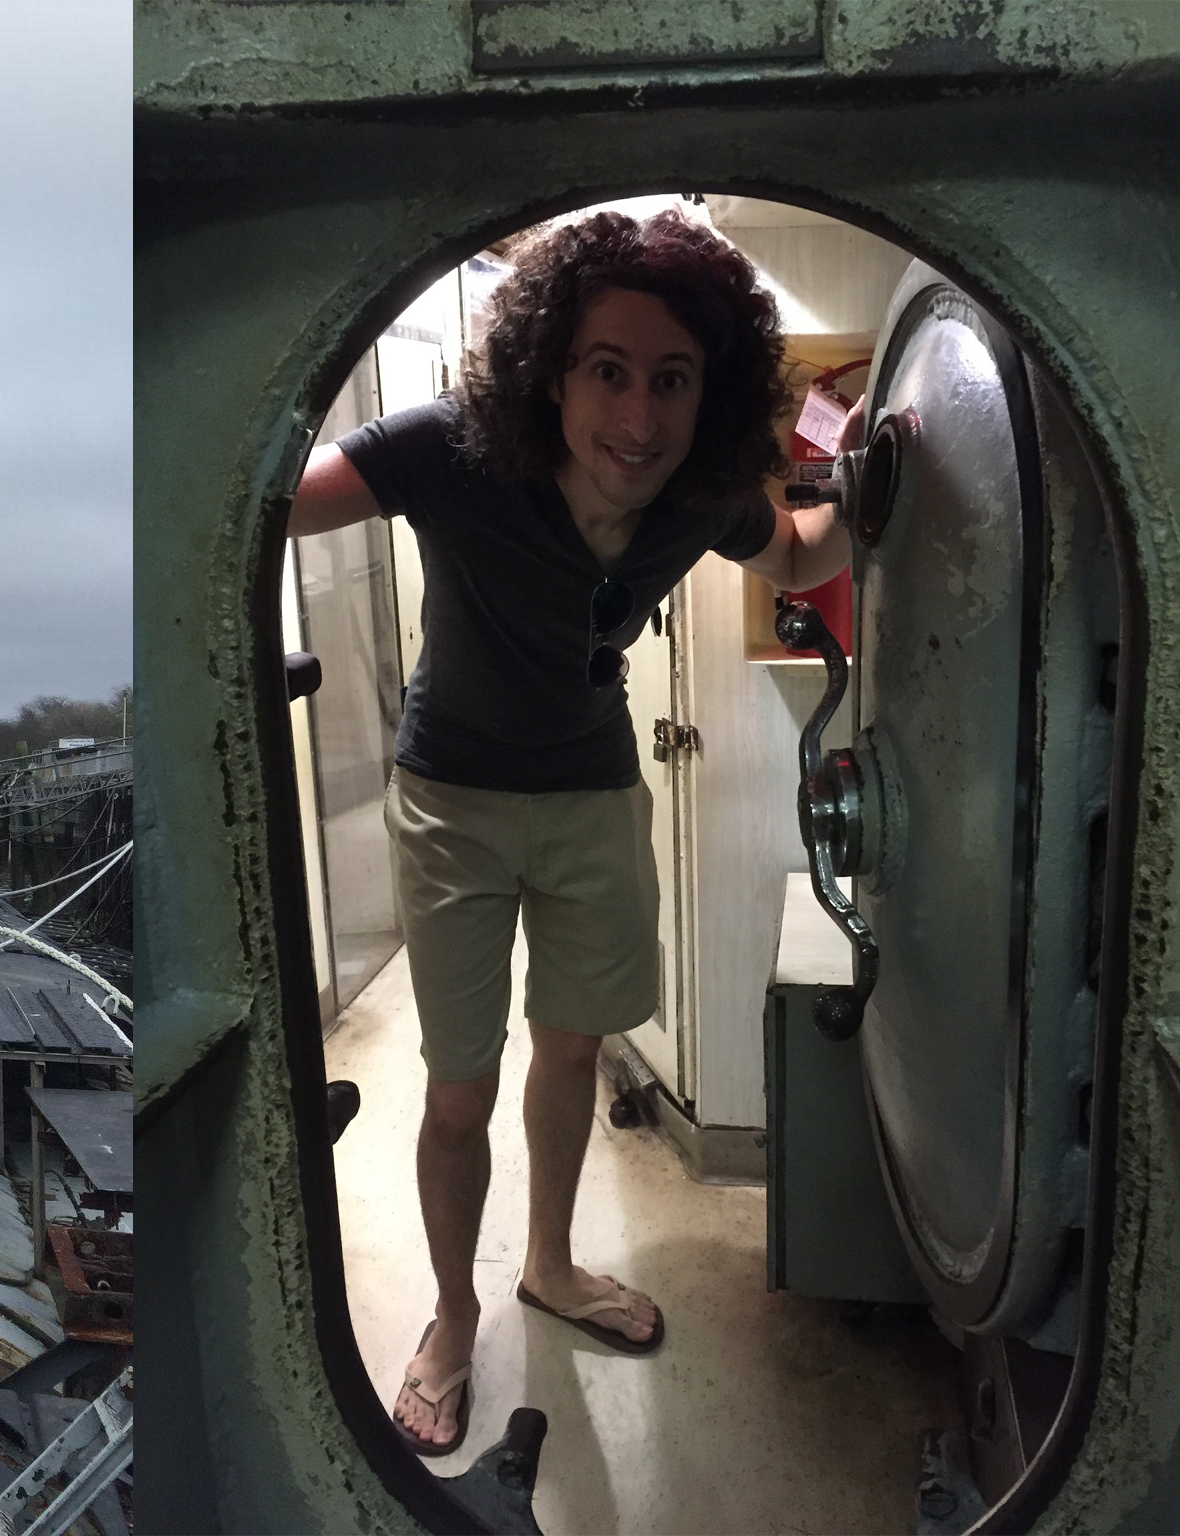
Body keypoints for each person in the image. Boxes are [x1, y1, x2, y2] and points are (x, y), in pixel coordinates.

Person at [284, 209, 856, 1457]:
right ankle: (451, 1314)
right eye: (607, 370)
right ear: (550, 371)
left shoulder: (697, 494)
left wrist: (870, 466)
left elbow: (800, 555)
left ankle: (546, 1263)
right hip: (451, 805)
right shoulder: (449, 450)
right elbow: (266, 499)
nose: (637, 417)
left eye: (671, 378)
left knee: (572, 1048)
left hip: (593, 797)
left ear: (707, 390)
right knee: (456, 1086)